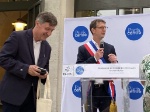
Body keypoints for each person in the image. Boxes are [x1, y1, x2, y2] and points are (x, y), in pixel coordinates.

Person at [0, 11, 57, 112]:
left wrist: (44, 75)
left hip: (32, 99)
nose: (49, 34)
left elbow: (46, 68)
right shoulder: (17, 37)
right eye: (47, 29)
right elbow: (3, 58)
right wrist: (26, 69)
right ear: (37, 24)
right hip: (12, 96)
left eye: (52, 30)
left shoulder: (47, 47)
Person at [76, 19, 118, 112]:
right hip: (91, 90)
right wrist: (94, 58)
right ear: (93, 30)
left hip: (106, 89)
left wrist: (114, 62)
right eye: (101, 27)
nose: (104, 30)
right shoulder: (83, 48)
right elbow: (79, 68)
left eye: (105, 27)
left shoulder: (110, 47)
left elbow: (116, 70)